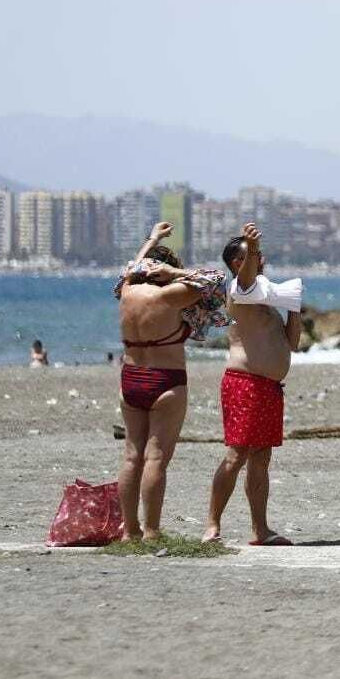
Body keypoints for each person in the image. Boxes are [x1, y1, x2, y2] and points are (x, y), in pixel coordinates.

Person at [114, 222, 229, 540]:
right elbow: (217, 280)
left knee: (131, 457)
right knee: (156, 458)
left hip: (130, 379)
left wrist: (151, 241)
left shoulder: (125, 292)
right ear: (162, 271)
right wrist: (175, 272)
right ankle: (151, 531)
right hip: (165, 380)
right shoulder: (170, 295)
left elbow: (130, 270)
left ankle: (130, 531)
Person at [203, 223, 303, 546]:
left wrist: (294, 307)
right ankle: (212, 525)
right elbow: (246, 279)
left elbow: (293, 343)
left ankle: (260, 530)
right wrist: (251, 245)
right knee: (237, 456)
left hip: (270, 388)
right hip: (245, 383)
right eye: (254, 255)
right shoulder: (238, 290)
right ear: (238, 263)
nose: (262, 259)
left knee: (261, 458)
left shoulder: (265, 299)